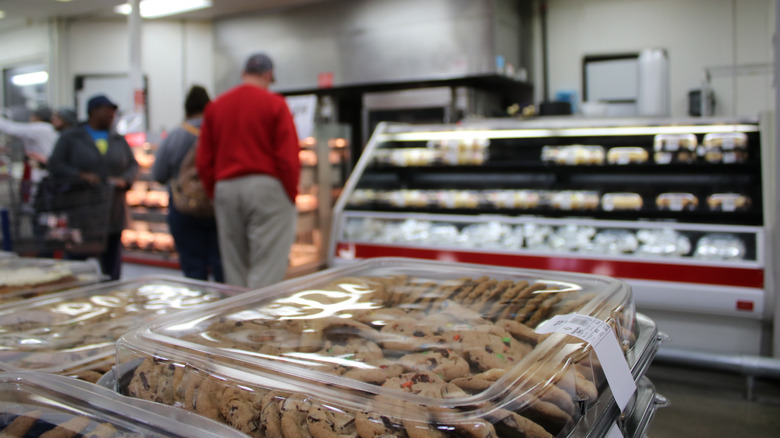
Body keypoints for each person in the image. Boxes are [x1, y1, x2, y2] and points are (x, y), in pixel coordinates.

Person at [196, 53, 300, 289]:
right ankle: (259, 322)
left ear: (243, 74)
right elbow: (288, 158)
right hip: (266, 188)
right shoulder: (275, 103)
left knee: (235, 267)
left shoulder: (215, 106)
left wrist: (216, 193)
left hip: (225, 188)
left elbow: (203, 160)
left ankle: (239, 321)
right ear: (268, 75)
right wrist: (290, 195)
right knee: (267, 266)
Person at [47, 94, 138, 280]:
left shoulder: (118, 139)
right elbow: (55, 165)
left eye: (113, 112)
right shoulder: (71, 137)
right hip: (82, 213)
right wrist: (79, 175)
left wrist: (125, 180)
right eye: (107, 110)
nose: (111, 115)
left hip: (112, 212)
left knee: (112, 268)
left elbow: (133, 165)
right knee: (75, 267)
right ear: (93, 112)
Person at [152, 85, 223, 282]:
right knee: (222, 267)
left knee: (193, 271)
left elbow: (158, 174)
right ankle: (226, 309)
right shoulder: (219, 132)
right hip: (216, 207)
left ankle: (199, 310)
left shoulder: (175, 136)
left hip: (183, 209)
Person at [0, 105, 58, 179]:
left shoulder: (40, 128)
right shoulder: (50, 128)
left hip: (40, 168)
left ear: (38, 117)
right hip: (44, 167)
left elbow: (11, 129)